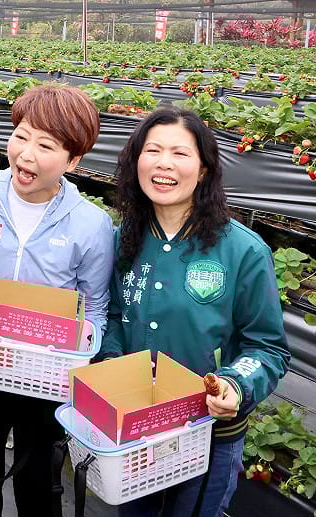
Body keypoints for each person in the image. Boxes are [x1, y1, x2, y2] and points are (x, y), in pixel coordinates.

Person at [98, 107, 290, 516]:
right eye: (153, 150)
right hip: (137, 427)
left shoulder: (243, 250)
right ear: (136, 162)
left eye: (180, 154)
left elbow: (268, 347)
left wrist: (235, 385)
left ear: (203, 170)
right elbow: (113, 315)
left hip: (208, 435)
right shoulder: (122, 239)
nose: (164, 163)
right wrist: (111, 366)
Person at [0, 84, 114, 517]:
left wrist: (79, 356)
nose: (26, 154)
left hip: (47, 376)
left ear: (73, 160)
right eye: (22, 136)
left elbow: (95, 306)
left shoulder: (91, 225)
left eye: (45, 145)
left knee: (39, 480)